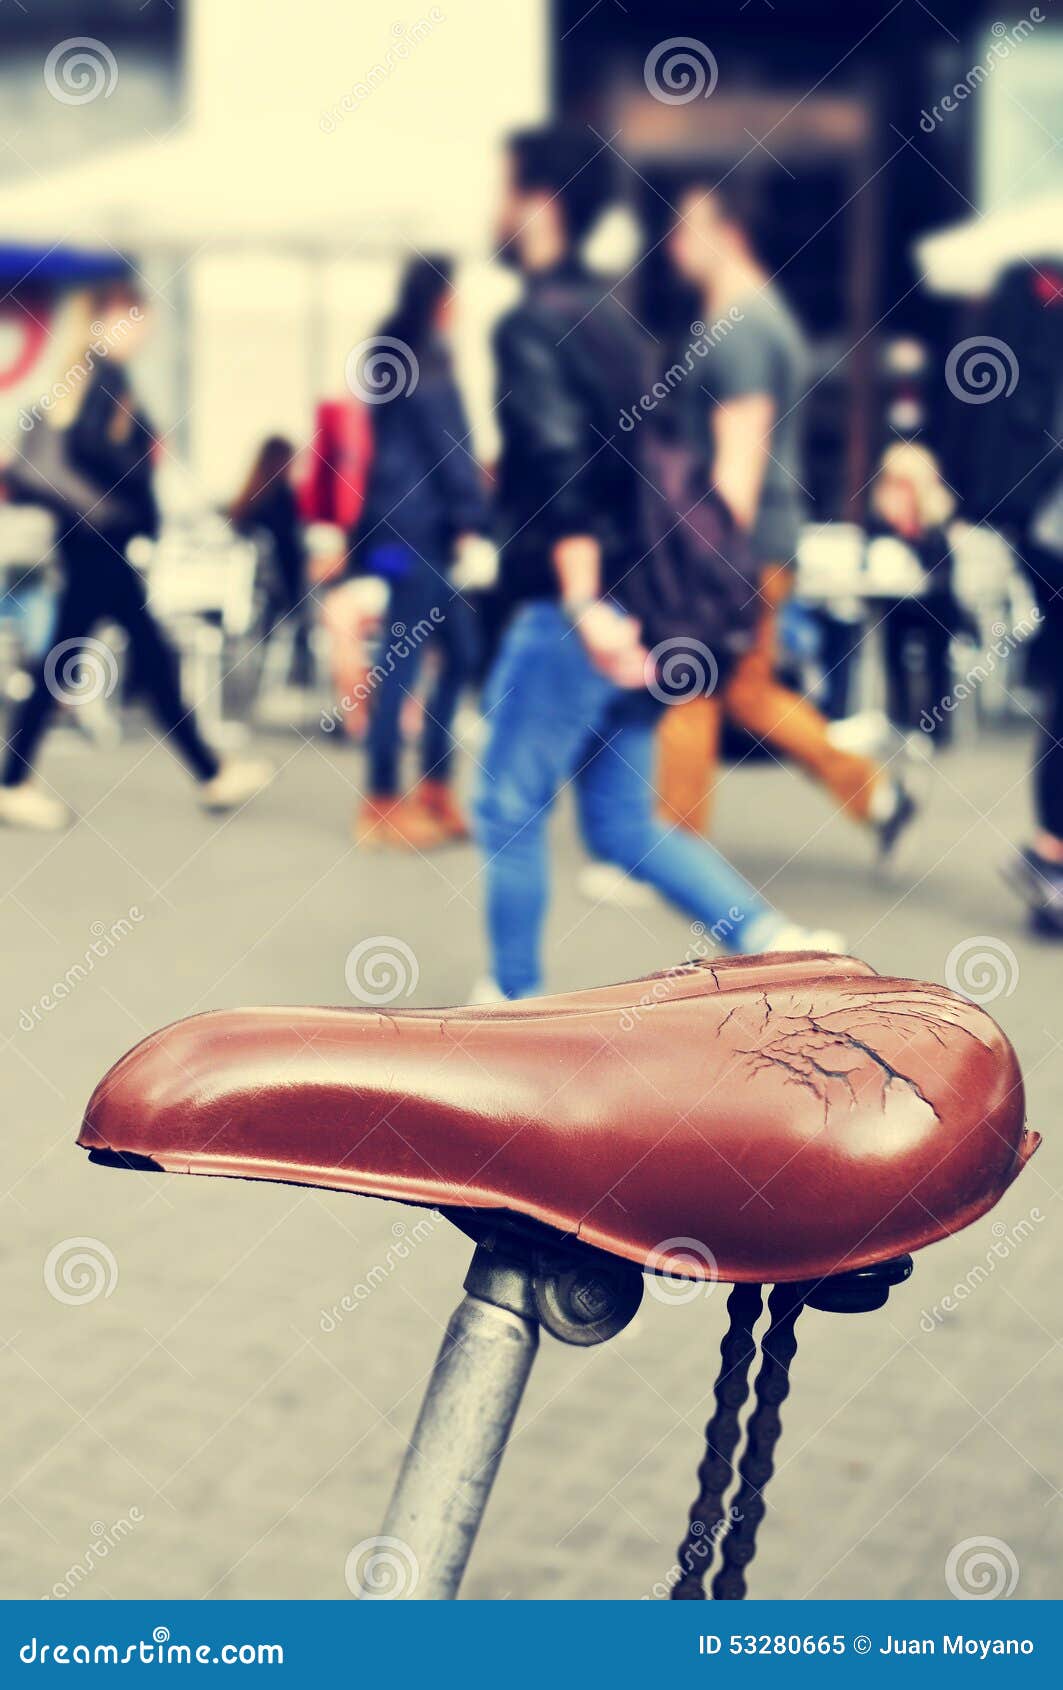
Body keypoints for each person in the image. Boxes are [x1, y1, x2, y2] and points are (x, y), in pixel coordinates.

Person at [472, 128, 840, 1002]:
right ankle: (773, 940)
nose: (488, 210)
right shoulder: (618, 322)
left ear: (537, 202)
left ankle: (515, 1004)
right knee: (618, 822)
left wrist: (579, 597)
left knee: (505, 804)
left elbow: (566, 463)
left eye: (498, 188)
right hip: (650, 600)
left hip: (576, 606)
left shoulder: (533, 323)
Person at [658, 177, 919, 853]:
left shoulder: (741, 329)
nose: (673, 244)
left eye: (687, 228)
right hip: (754, 544)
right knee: (744, 693)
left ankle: (673, 850)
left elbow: (738, 457)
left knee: (690, 680)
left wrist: (704, 557)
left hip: (734, 543)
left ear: (729, 235)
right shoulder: (747, 321)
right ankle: (874, 791)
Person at [0, 282, 271, 831]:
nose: (144, 331)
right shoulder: (105, 379)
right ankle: (207, 770)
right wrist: (136, 476)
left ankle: (209, 769)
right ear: (107, 321)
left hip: (89, 545)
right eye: (136, 319)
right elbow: (92, 453)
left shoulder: (82, 377)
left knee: (115, 659)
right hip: (100, 545)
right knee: (119, 660)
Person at [349, 256, 489, 850]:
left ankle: (434, 784)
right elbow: (450, 446)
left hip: (398, 527)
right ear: (440, 297)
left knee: (459, 651)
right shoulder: (428, 356)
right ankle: (381, 802)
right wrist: (472, 515)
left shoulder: (394, 350)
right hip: (419, 528)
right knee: (403, 663)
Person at [868, 443, 970, 747]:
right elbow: (874, 557)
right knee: (891, 643)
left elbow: (942, 569)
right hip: (898, 603)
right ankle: (899, 722)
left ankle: (935, 728)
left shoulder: (937, 514)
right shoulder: (881, 514)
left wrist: (913, 532)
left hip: (937, 604)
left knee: (936, 651)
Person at [230, 435, 313, 686]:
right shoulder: (283, 500)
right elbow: (293, 551)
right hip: (285, 590)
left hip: (259, 591)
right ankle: (304, 676)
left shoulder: (250, 503)